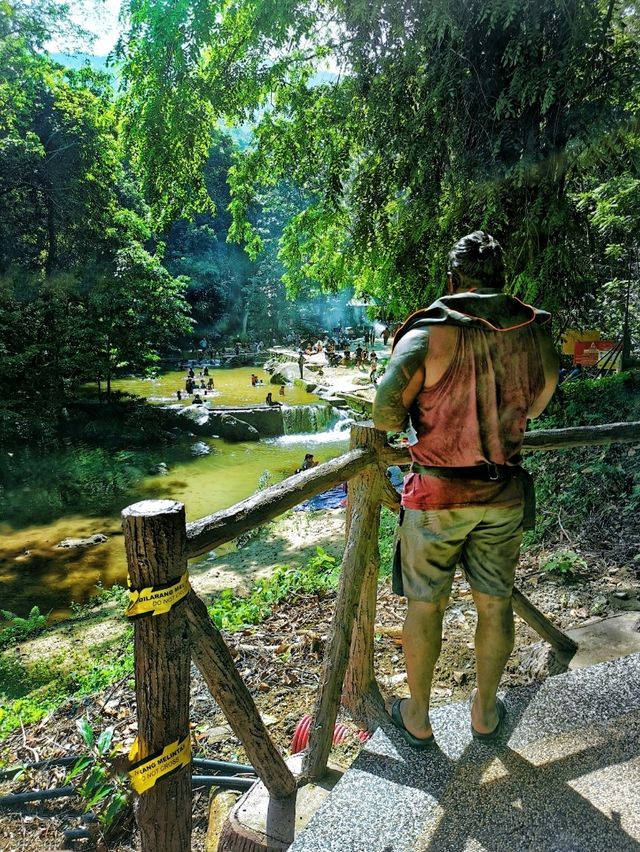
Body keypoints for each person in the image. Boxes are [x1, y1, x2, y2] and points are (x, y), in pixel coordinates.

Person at [373, 230, 558, 747]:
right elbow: (539, 403)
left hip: (436, 499)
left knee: (425, 607)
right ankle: (483, 712)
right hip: (502, 496)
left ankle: (418, 716)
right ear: (501, 279)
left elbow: (385, 411)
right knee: (495, 605)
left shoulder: (428, 333)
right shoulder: (533, 328)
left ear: (453, 280)